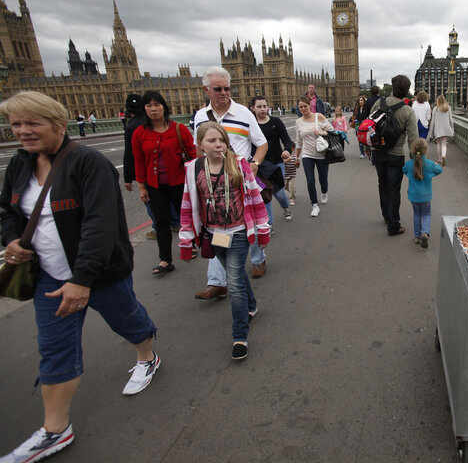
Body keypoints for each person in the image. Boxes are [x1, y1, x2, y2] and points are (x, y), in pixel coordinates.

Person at [0, 92, 159, 462]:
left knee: (129, 321)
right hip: (48, 277)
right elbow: (7, 210)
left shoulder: (88, 163)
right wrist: (10, 238)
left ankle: (147, 355)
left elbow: (100, 225)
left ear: (58, 124)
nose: (22, 131)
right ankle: (55, 430)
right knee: (53, 349)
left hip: (99, 274)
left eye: (32, 123)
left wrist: (82, 279)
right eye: (16, 124)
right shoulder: (20, 164)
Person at [179, 122, 270, 360]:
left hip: (239, 232)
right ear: (200, 145)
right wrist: (187, 238)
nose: (218, 144)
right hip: (213, 234)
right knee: (236, 275)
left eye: (221, 139)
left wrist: (262, 230)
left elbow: (255, 198)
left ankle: (240, 335)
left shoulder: (239, 164)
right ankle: (252, 306)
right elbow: (188, 206)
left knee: (234, 282)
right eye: (211, 140)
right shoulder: (193, 168)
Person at [191, 66, 267, 300]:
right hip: (213, 184)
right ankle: (217, 282)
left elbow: (261, 143)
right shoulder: (201, 116)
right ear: (206, 90)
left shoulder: (244, 113)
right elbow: (198, 148)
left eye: (227, 88)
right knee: (216, 228)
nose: (224, 92)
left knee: (247, 225)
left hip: (239, 181)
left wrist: (254, 164)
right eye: (218, 89)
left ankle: (258, 259)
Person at [132, 90, 196, 276]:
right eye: (149, 106)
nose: (153, 109)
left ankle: (189, 245)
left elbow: (192, 156)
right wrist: (141, 186)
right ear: (144, 109)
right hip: (155, 185)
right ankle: (165, 259)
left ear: (164, 107)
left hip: (179, 182)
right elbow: (138, 160)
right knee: (161, 222)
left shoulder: (179, 129)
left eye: (157, 105)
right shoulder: (139, 133)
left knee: (185, 218)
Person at [250, 95, 294, 278]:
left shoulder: (275, 122)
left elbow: (286, 140)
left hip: (276, 164)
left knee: (279, 194)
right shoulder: (251, 123)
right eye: (259, 106)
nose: (262, 109)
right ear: (252, 108)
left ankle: (285, 207)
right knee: (264, 194)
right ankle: (268, 224)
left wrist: (287, 150)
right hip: (259, 168)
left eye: (264, 106)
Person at [370, 75, 419, 236]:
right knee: (394, 189)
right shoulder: (408, 111)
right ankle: (393, 225)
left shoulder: (379, 103)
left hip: (378, 152)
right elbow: (414, 141)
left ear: (392, 88)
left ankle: (386, 215)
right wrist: (416, 162)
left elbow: (370, 126)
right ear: (406, 91)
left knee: (382, 184)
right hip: (396, 155)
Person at [294, 95, 335, 217]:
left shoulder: (319, 117)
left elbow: (332, 131)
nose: (302, 109)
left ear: (309, 106)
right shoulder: (298, 122)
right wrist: (297, 158)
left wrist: (322, 132)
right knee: (310, 181)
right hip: (307, 155)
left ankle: (324, 192)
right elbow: (299, 141)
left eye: (305, 106)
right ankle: (314, 205)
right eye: (300, 107)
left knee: (323, 179)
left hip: (321, 153)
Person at [403, 138, 442, 249]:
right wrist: (434, 164)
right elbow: (439, 170)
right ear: (426, 150)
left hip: (413, 196)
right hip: (425, 196)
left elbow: (404, 170)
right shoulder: (429, 164)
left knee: (416, 215)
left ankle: (417, 236)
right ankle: (425, 232)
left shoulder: (409, 164)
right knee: (426, 214)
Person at [427, 94, 454, 166]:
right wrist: (452, 129)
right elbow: (451, 120)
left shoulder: (435, 109)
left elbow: (432, 122)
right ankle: (444, 156)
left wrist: (431, 132)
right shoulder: (448, 108)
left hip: (438, 129)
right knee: (444, 144)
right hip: (446, 128)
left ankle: (439, 159)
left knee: (438, 143)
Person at [351, 94, 367, 158]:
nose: (360, 101)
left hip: (365, 125)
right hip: (358, 126)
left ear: (364, 101)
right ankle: (362, 153)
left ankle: (367, 152)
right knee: (360, 139)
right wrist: (351, 121)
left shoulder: (366, 108)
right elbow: (353, 116)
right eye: (359, 100)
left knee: (365, 139)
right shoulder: (356, 109)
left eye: (362, 100)